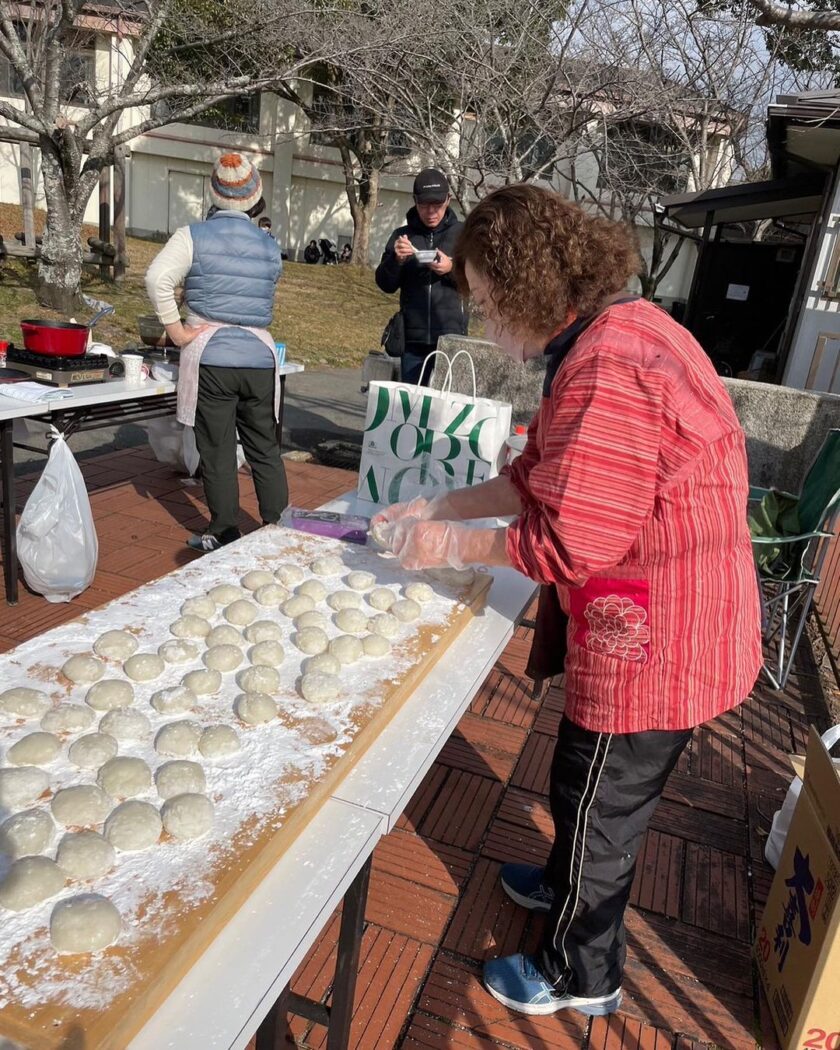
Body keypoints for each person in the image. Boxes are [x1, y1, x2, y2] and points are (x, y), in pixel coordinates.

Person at [373, 185, 762, 1018]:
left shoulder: (610, 366)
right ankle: (562, 882)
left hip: (663, 633)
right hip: (649, 607)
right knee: (580, 783)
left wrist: (447, 546)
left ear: (522, 288)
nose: (483, 320)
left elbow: (568, 543)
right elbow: (535, 474)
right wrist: (440, 508)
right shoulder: (614, 329)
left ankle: (583, 972)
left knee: (603, 805)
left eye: (484, 301)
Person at [145, 152, 287, 553]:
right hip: (260, 358)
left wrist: (176, 330)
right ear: (254, 195)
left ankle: (225, 529)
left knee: (219, 448)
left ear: (214, 193)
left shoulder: (193, 235)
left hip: (214, 358)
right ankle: (278, 524)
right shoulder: (269, 245)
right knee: (264, 446)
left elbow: (157, 277)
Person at [374, 168, 467, 385]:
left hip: (451, 336)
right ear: (415, 201)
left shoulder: (463, 234)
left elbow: (479, 280)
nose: (431, 211)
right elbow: (385, 284)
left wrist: (451, 269)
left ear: (448, 200)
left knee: (445, 406)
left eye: (437, 204)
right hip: (413, 339)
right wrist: (395, 260)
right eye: (424, 205)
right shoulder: (402, 236)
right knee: (414, 406)